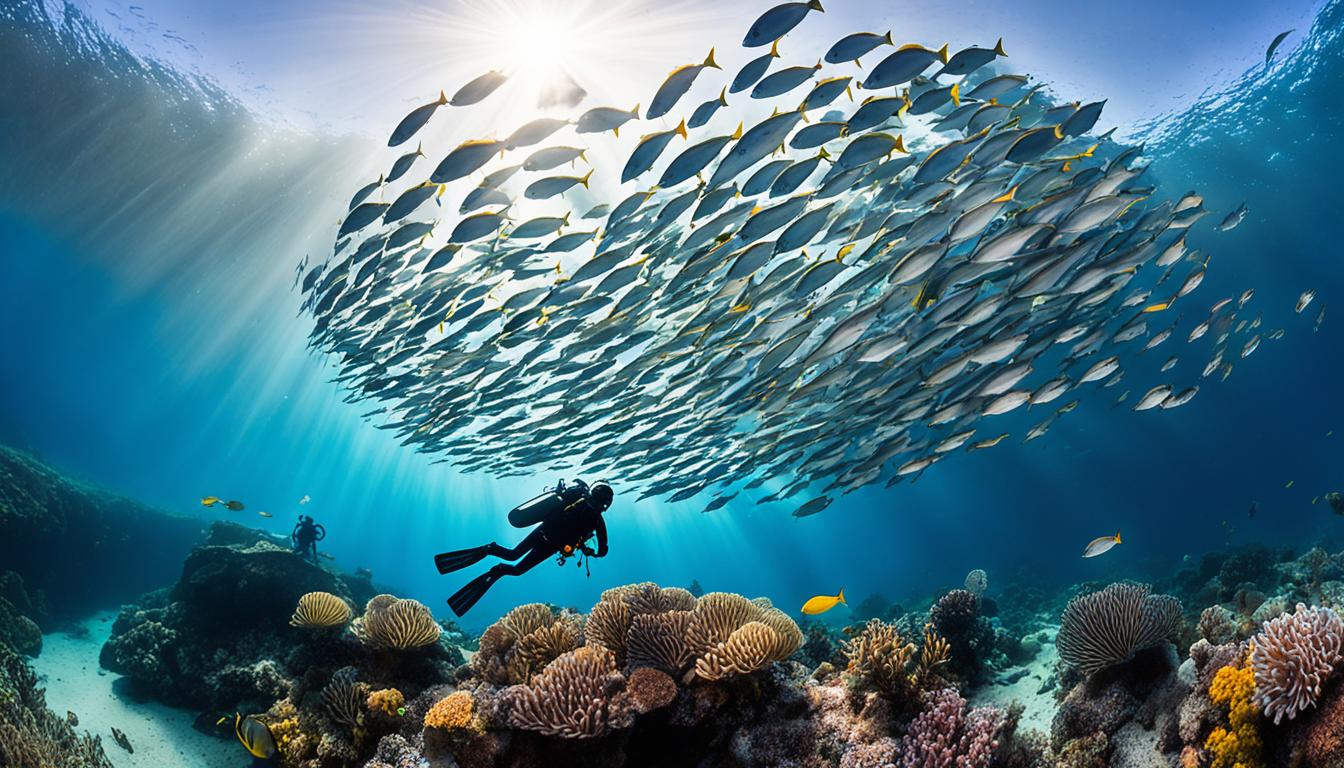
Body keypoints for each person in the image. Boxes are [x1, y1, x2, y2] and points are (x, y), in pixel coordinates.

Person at [435, 479, 613, 617]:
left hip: (542, 532)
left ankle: (489, 549)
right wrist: (591, 552)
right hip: (551, 546)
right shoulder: (598, 521)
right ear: (606, 504)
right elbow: (603, 550)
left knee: (512, 555)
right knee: (517, 569)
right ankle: (497, 570)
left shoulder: (576, 498)